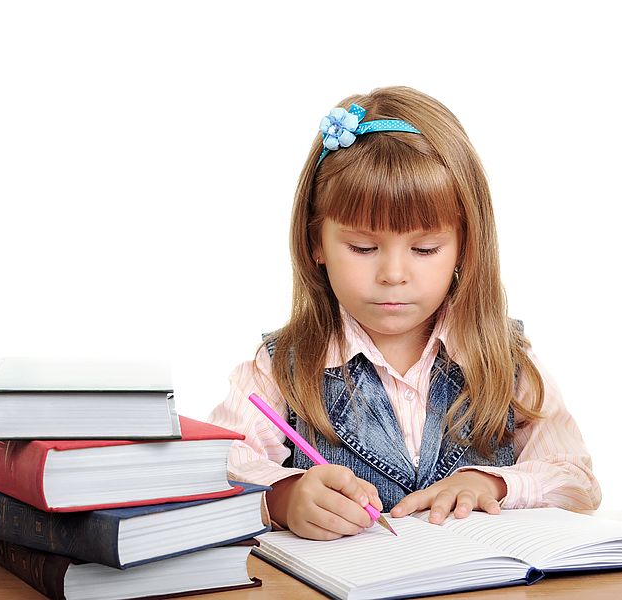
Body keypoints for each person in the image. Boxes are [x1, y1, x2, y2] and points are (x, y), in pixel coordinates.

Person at [207, 86, 600, 541]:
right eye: (363, 247)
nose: (393, 274)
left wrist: (493, 482)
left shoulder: (503, 362)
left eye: (425, 248)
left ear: (463, 247)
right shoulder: (280, 368)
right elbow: (216, 467)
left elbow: (579, 481)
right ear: (316, 241)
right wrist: (285, 496)